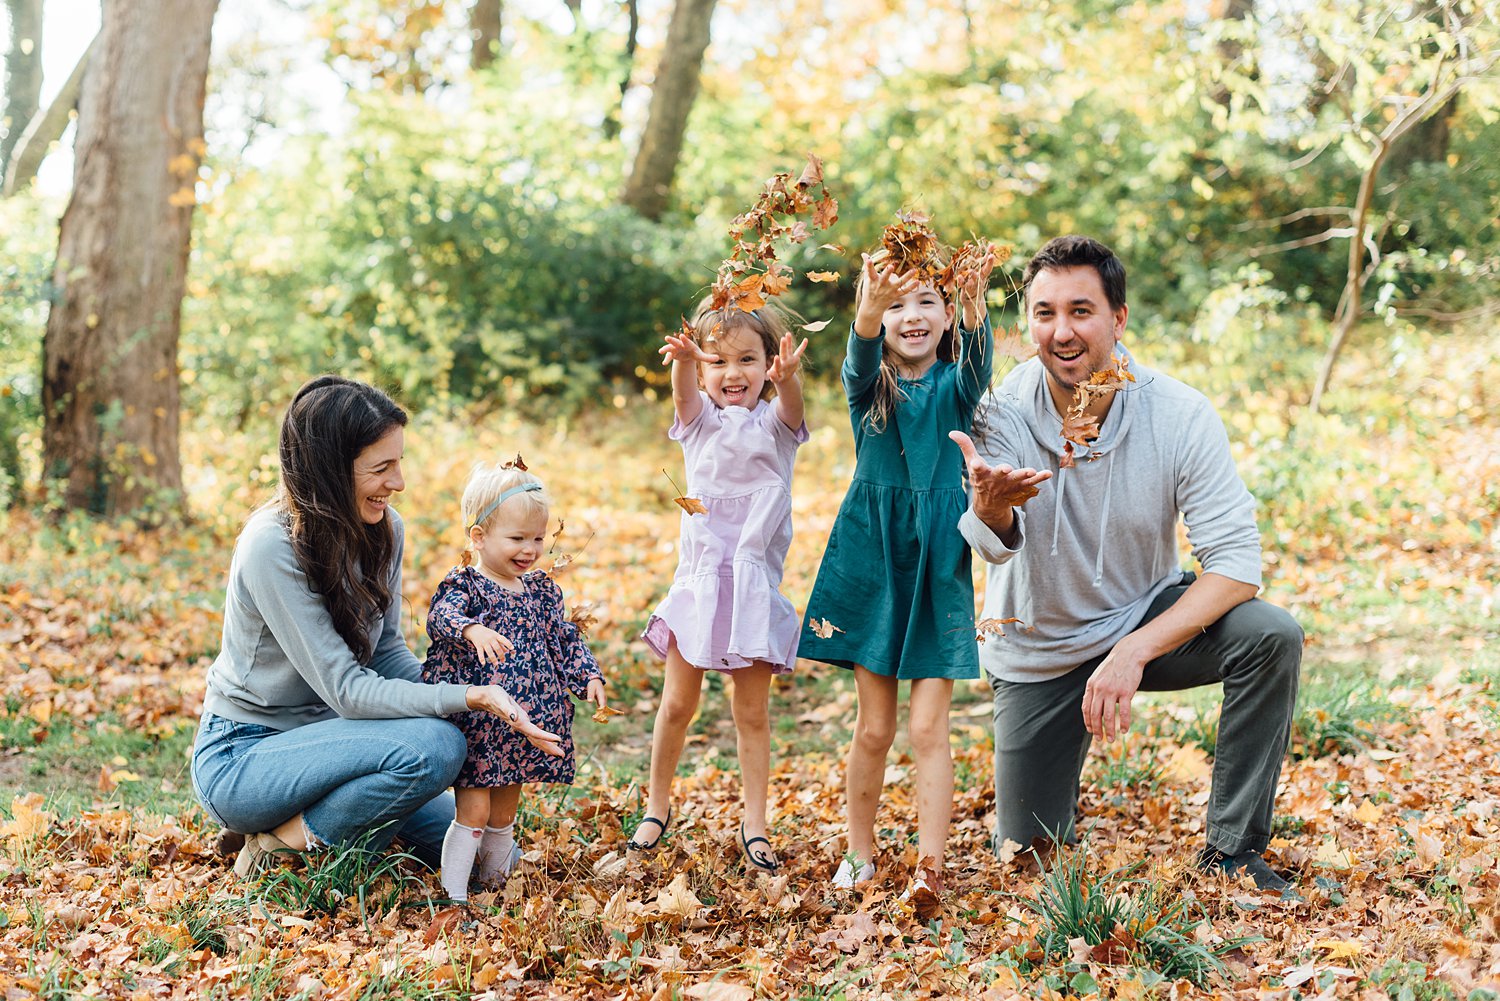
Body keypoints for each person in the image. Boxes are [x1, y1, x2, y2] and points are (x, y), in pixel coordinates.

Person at [953, 235, 1304, 892]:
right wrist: (993, 508)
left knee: (1270, 634)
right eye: (1045, 312)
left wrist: (1135, 649)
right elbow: (993, 545)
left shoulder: (1179, 413)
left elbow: (1236, 565)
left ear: (1119, 317)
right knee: (1028, 862)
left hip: (1144, 613)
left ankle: (1233, 850)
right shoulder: (997, 411)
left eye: (1081, 310)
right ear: (1027, 322)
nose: (1062, 331)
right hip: (1039, 646)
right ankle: (1033, 800)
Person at [191, 376, 562, 880]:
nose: (399, 482)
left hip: (340, 748)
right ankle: (281, 839)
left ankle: (318, 821)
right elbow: (346, 689)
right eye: (381, 468)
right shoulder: (270, 546)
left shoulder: (385, 530)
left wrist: (491, 697)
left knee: (482, 861)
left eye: (399, 462)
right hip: (246, 756)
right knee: (437, 747)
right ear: (330, 471)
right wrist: (467, 697)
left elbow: (386, 652)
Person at [798, 241, 1004, 895]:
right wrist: (869, 303)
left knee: (926, 725)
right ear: (882, 316)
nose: (912, 315)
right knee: (876, 724)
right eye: (899, 304)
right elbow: (858, 351)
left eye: (928, 302)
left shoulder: (954, 387)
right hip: (873, 559)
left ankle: (930, 866)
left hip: (937, 561)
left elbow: (980, 355)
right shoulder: (871, 389)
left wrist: (971, 295)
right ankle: (860, 852)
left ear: (945, 317)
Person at [629, 299, 809, 873]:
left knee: (750, 713)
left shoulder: (775, 426)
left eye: (748, 360)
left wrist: (789, 382)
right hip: (701, 586)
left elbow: (792, 408)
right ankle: (657, 807)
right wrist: (682, 363)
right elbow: (683, 397)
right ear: (706, 373)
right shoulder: (700, 421)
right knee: (677, 703)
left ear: (765, 365)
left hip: (752, 589)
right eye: (719, 362)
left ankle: (754, 822)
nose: (734, 373)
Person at [422, 462, 607, 902]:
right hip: (485, 724)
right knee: (474, 809)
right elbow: (440, 617)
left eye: (538, 538)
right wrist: (472, 629)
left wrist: (589, 675)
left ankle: (494, 883)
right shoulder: (466, 584)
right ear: (479, 538)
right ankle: (454, 895)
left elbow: (563, 638)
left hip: (526, 720)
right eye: (517, 538)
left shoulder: (541, 591)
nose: (530, 550)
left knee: (505, 808)